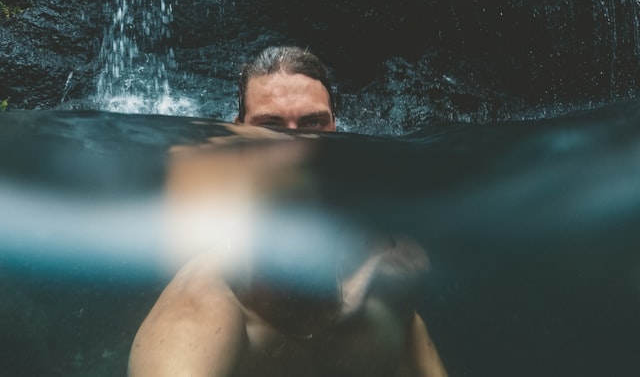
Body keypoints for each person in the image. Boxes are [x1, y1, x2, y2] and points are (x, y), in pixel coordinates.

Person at [128, 46, 448, 377]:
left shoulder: (387, 280)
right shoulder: (197, 319)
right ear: (238, 134)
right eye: (270, 124)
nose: (294, 147)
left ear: (336, 127)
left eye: (313, 122)